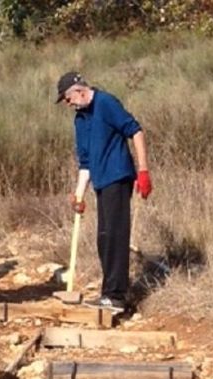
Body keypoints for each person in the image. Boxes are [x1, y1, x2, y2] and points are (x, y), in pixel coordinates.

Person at [56, 71, 152, 312]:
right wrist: (79, 194)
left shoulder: (106, 102)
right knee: (104, 238)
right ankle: (110, 294)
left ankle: (116, 297)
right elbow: (85, 162)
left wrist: (143, 170)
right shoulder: (80, 119)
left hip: (118, 176)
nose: (68, 105)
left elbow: (135, 130)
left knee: (115, 236)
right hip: (100, 181)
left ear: (78, 90)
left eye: (68, 99)